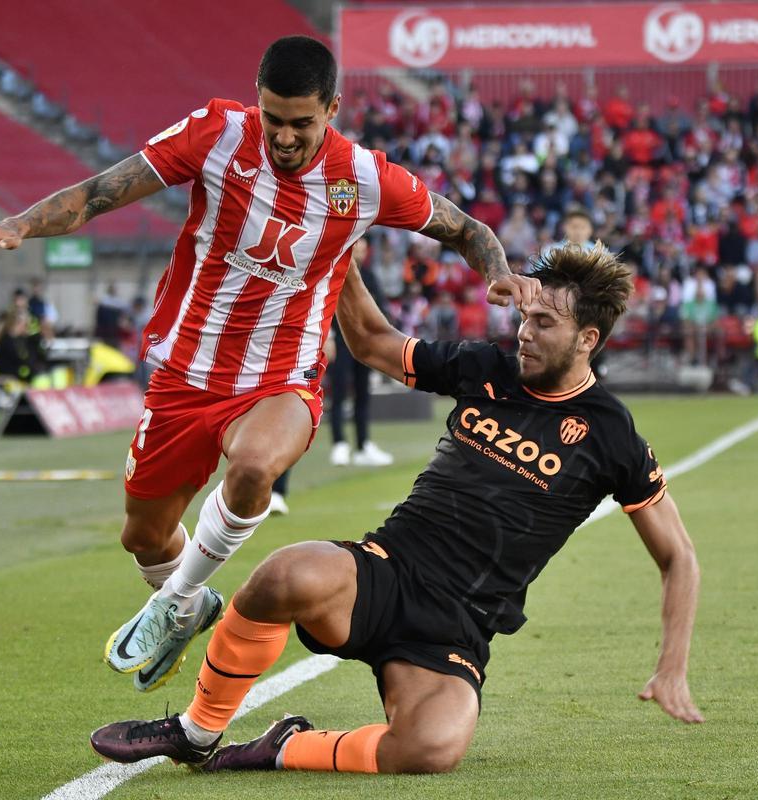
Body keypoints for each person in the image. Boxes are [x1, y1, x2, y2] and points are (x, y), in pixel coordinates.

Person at [0, 35, 536, 693]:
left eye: (301, 123)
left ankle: (173, 601)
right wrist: (21, 225)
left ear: (332, 109)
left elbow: (467, 230)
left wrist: (498, 274)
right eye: (273, 119)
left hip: (281, 378)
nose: (284, 137)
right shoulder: (217, 134)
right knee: (143, 536)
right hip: (184, 374)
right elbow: (100, 193)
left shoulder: (365, 179)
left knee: (256, 466)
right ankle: (190, 603)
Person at [90, 245, 703, 774]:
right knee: (284, 573)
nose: (524, 332)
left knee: (432, 748)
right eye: (525, 316)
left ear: (588, 339)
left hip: (457, 625)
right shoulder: (488, 367)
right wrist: (341, 252)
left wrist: (671, 666)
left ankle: (281, 748)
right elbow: (373, 343)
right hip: (384, 571)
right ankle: (197, 732)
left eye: (544, 323)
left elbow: (678, 557)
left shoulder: (611, 435)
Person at [329, 238, 393, 468]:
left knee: (362, 394)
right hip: (339, 341)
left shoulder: (369, 276)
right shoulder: (334, 273)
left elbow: (382, 309)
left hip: (364, 343)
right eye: (358, 247)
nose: (361, 252)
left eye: (364, 249)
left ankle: (363, 444)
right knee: (338, 393)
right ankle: (339, 443)